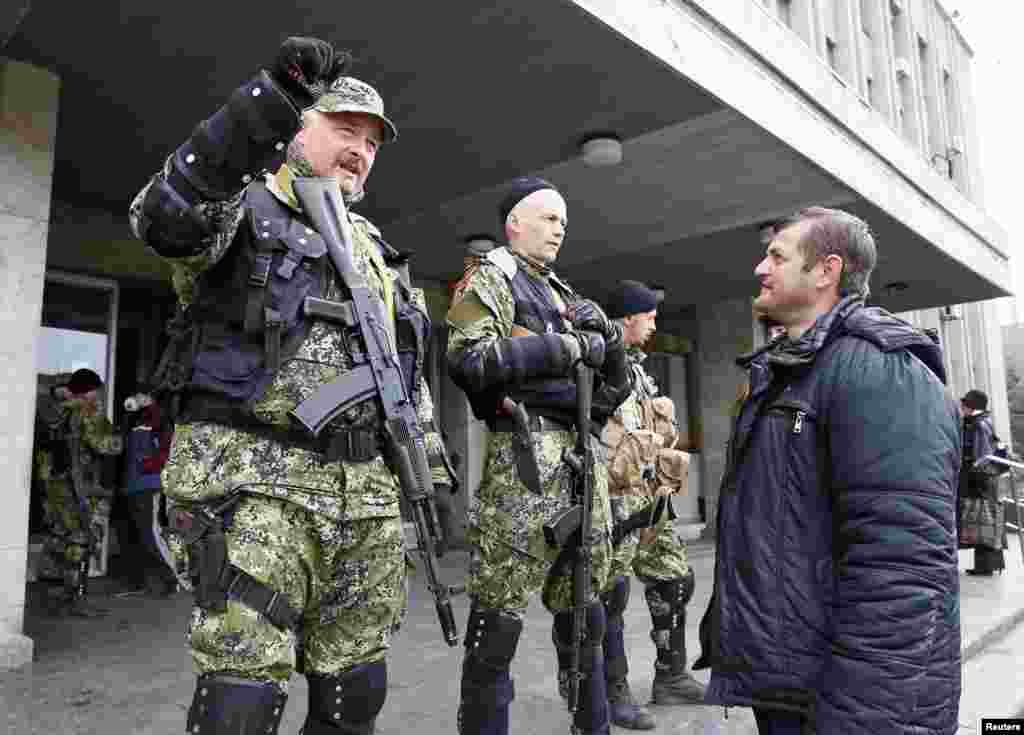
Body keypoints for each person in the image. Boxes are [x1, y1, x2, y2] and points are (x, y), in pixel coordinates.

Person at [128, 37, 454, 735]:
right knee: (241, 697)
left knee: (356, 693)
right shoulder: (242, 206)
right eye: (344, 129)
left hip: (364, 502)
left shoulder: (378, 251)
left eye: (372, 143)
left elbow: (406, 372)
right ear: (297, 129)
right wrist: (266, 103)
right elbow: (168, 215)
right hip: (254, 493)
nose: (361, 151)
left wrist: (426, 470)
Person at [694, 207, 962, 734]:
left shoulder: (880, 372)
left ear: (826, 271)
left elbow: (902, 571)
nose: (759, 269)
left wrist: (857, 721)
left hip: (851, 705)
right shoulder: (790, 371)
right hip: (794, 689)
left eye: (776, 256)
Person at [446, 176, 633, 735]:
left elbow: (608, 395)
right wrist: (564, 349)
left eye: (564, 223)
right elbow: (468, 360)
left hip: (580, 461)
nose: (560, 229)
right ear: (514, 225)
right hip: (523, 467)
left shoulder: (564, 295)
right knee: (496, 627)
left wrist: (613, 346)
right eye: (549, 218)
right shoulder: (489, 281)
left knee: (587, 619)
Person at [552, 280, 704, 731]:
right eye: (648, 315)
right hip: (611, 501)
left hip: (649, 498)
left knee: (676, 579)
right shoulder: (596, 363)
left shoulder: (638, 370)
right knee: (609, 595)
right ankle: (613, 689)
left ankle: (671, 676)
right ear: (626, 319)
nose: (655, 323)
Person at [34, 368, 123, 617]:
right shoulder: (86, 410)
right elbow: (106, 446)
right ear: (89, 390)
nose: (100, 395)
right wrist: (118, 434)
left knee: (57, 536)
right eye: (98, 390)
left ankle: (50, 595)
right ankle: (74, 599)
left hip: (53, 488)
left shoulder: (56, 410)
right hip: (77, 488)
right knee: (80, 540)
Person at [119, 392, 178, 596]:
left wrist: (148, 465)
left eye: (142, 395)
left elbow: (167, 449)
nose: (137, 399)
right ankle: (140, 583)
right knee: (135, 536)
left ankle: (173, 578)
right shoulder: (135, 419)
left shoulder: (159, 419)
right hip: (131, 485)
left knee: (149, 534)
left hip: (148, 483)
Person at [959, 389, 1007, 575]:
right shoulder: (983, 422)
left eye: (965, 403)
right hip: (986, 480)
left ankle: (985, 567)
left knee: (982, 522)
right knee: (984, 523)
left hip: (980, 481)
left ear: (971, 406)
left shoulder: (976, 425)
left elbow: (982, 456)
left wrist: (975, 474)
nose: (962, 407)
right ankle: (986, 566)